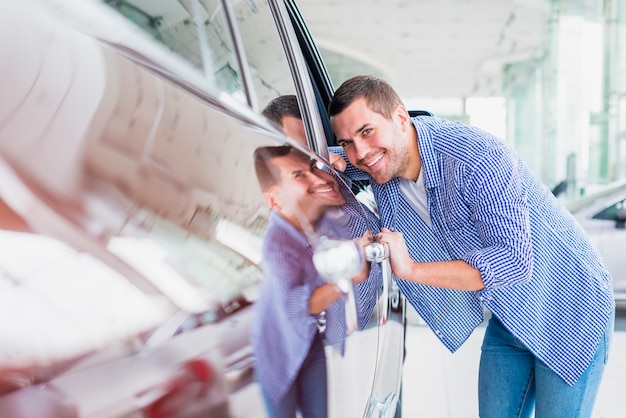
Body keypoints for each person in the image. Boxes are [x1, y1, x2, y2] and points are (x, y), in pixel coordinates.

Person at [328, 75, 615, 417]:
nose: (360, 152)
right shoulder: (379, 163)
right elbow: (323, 162)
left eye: (366, 131)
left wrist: (412, 269)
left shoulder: (478, 159)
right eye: (347, 142)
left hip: (571, 307)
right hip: (511, 315)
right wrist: (331, 160)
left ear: (401, 119)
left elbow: (513, 260)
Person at [250, 144, 376, 418]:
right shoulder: (278, 245)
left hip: (308, 341)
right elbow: (298, 304)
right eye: (298, 176)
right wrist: (343, 280)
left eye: (311, 170)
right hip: (278, 350)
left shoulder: (312, 224)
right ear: (274, 199)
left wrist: (355, 251)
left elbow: (346, 257)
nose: (316, 179)